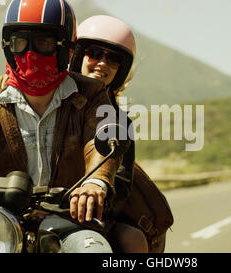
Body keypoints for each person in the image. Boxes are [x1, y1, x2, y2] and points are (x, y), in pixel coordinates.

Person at [0, 0, 122, 253]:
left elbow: (100, 141)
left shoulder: (91, 93)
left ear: (66, 48)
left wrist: (95, 183)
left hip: (69, 220)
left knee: (94, 251)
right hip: (1, 218)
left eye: (43, 42)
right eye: (20, 42)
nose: (30, 53)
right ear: (8, 45)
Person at [70, 15, 173, 253]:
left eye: (114, 58)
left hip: (91, 213)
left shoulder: (118, 120)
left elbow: (123, 180)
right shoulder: (49, 101)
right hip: (35, 205)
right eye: (94, 52)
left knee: (132, 240)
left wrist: (96, 195)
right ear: (76, 55)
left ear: (122, 68)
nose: (102, 63)